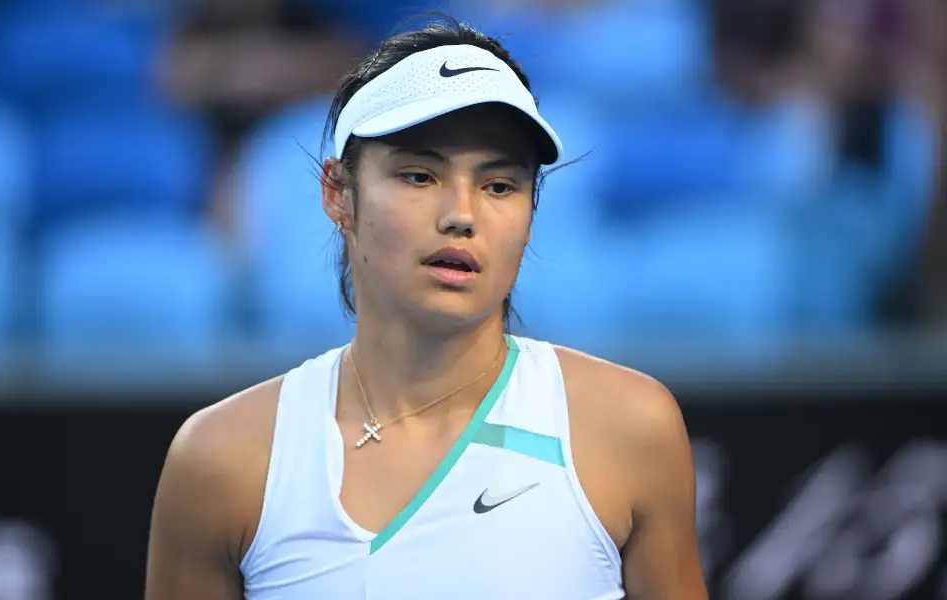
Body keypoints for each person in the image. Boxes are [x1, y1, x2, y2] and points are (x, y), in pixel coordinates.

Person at [145, 17, 708, 600]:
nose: (461, 215)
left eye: (499, 186)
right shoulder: (220, 458)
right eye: (419, 176)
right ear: (337, 194)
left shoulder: (631, 428)